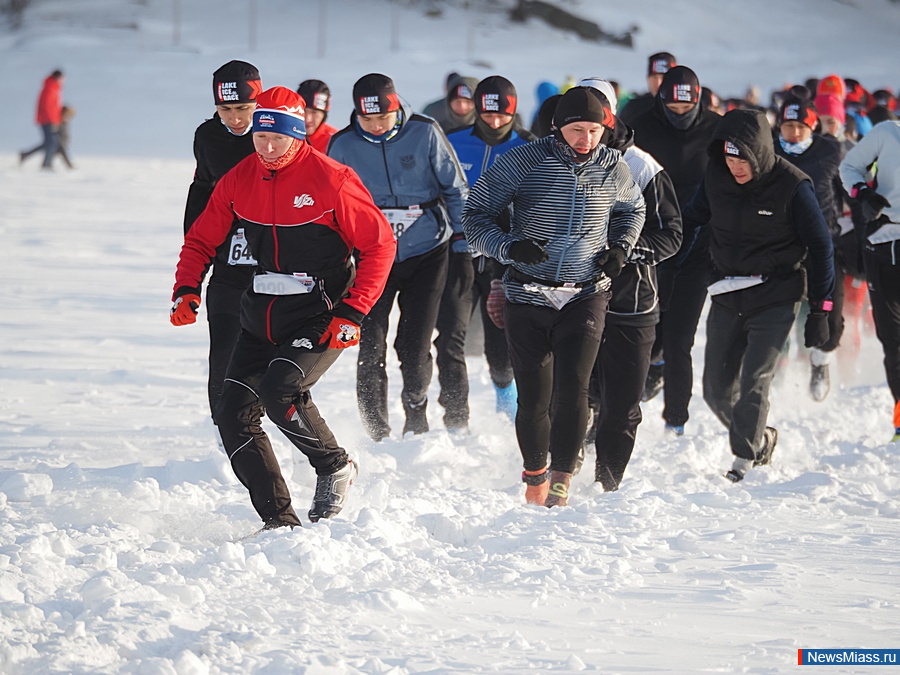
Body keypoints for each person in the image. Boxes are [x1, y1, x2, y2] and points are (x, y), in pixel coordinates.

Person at [171, 86, 396, 528]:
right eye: (260, 138)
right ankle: (279, 521)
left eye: (279, 140)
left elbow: (380, 245)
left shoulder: (333, 179)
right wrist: (186, 287)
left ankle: (334, 466)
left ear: (299, 136)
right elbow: (201, 239)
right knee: (231, 414)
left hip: (322, 310)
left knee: (281, 391)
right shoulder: (239, 177)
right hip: (260, 311)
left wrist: (352, 312)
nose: (268, 149)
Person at [463, 87, 645, 507]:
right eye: (577, 130)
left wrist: (620, 248)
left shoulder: (611, 165)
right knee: (534, 398)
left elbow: (633, 210)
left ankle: (562, 478)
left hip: (585, 293)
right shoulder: (524, 161)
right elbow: (475, 216)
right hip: (528, 292)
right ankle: (535, 476)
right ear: (557, 127)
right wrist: (510, 248)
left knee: (574, 389)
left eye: (595, 130)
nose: (586, 140)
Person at [685, 109, 835, 482]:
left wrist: (822, 310)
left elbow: (821, 246)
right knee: (716, 390)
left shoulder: (792, 185)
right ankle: (760, 437)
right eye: (729, 157)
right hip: (727, 290)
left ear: (761, 154)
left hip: (776, 292)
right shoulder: (717, 175)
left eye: (743, 158)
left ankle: (744, 462)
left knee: (755, 376)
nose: (736, 166)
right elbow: (691, 218)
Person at [328, 73, 468, 440]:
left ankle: (416, 415)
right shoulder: (342, 145)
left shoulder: (424, 131)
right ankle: (376, 429)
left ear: (397, 110)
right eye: (367, 120)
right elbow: (329, 205)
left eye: (383, 119)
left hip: (426, 250)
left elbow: (455, 187)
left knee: (414, 342)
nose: (375, 128)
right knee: (369, 341)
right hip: (371, 256)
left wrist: (464, 240)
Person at [578, 79, 683, 492]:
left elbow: (671, 233)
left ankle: (609, 484)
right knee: (574, 392)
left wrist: (626, 251)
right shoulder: (550, 160)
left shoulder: (641, 166)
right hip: (573, 296)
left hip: (630, 300)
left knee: (620, 404)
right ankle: (565, 465)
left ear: (611, 114)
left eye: (597, 112)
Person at [437, 75, 535, 431]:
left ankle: (506, 395)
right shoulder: (452, 142)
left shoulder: (529, 146)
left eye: (502, 117)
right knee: (450, 336)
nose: (494, 123)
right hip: (458, 253)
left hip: (504, 257)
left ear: (513, 113)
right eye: (487, 115)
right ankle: (455, 419)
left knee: (500, 341)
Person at [627, 65, 721, 435]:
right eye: (672, 108)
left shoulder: (716, 130)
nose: (680, 114)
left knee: (682, 337)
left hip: (699, 245)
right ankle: (636, 389)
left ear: (698, 102)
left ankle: (675, 422)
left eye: (687, 108)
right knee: (647, 333)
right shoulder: (642, 124)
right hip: (651, 241)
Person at [182, 61, 263, 432]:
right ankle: (226, 431)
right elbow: (201, 189)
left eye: (242, 109)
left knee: (269, 356)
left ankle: (267, 425)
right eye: (225, 109)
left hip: (275, 266)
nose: (234, 118)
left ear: (257, 102)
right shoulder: (207, 136)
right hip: (228, 265)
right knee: (224, 352)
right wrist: (195, 259)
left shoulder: (275, 131)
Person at [773, 97, 845, 401]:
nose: (795, 133)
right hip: (783, 243)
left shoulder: (830, 151)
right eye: (789, 126)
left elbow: (845, 187)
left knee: (831, 316)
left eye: (801, 127)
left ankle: (820, 361)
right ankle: (774, 368)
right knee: (777, 313)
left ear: (812, 126)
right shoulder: (770, 152)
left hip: (824, 245)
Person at [839, 119, 900, 441]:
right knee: (893, 340)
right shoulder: (887, 132)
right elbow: (849, 167)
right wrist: (862, 193)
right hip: (883, 243)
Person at [20, 69, 64, 170]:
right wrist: (54, 121)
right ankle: (46, 164)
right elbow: (48, 106)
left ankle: (27, 155)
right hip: (48, 120)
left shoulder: (53, 87)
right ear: (58, 77)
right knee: (51, 142)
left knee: (49, 142)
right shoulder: (50, 88)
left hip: (48, 119)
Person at [618, 52, 676, 124]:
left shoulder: (683, 109)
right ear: (648, 78)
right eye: (654, 77)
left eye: (663, 77)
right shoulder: (634, 108)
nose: (658, 83)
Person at [297, 79, 337, 153]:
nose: (308, 119)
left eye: (314, 112)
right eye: (303, 111)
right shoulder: (284, 136)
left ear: (323, 114)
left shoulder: (335, 143)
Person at [54, 105, 76, 169]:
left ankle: (69, 165)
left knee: (61, 154)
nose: (68, 118)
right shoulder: (59, 123)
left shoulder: (66, 124)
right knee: (63, 153)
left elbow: (66, 135)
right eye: (66, 116)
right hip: (59, 143)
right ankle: (69, 165)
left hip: (63, 143)